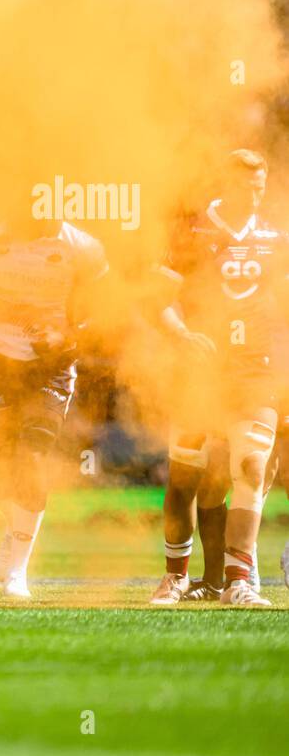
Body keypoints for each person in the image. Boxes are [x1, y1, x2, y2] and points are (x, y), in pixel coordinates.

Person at [149, 150, 280, 607]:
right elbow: (160, 299)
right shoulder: (193, 229)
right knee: (186, 476)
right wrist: (183, 335)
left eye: (260, 185)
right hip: (199, 372)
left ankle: (239, 580)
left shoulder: (277, 234)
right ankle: (175, 576)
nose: (255, 193)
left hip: (256, 369)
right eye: (247, 184)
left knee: (251, 465)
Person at [0, 208, 108, 598]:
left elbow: (107, 309)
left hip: (51, 371)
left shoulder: (81, 246)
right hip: (1, 364)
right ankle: (16, 528)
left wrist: (69, 338)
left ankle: (18, 572)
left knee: (32, 455)